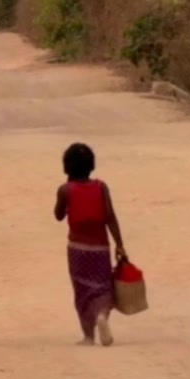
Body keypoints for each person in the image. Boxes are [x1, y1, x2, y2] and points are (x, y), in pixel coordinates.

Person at [54, 143, 127, 347]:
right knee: (103, 287)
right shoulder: (101, 187)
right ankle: (102, 314)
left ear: (66, 167)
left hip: (78, 249)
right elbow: (110, 217)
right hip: (100, 248)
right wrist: (119, 244)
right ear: (91, 165)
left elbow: (58, 215)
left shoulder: (65, 190)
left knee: (82, 291)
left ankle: (88, 335)